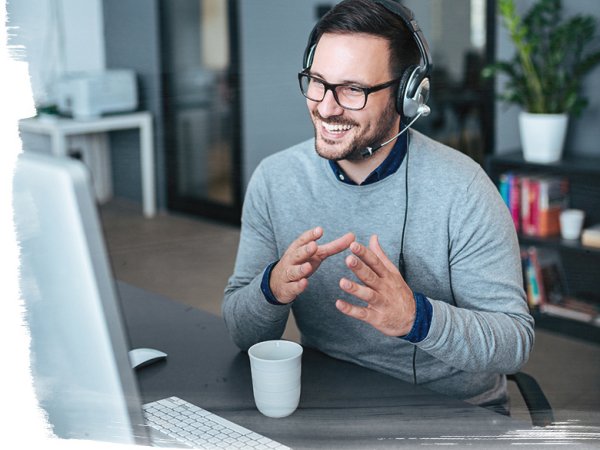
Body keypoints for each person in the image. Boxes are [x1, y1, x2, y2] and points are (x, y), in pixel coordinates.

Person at [223, 0, 534, 413]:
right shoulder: (275, 179)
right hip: (325, 402)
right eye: (317, 82)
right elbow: (242, 333)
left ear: (407, 95)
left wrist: (416, 319)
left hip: (452, 413)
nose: (326, 106)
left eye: (353, 89)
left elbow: (514, 344)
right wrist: (272, 288)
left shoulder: (463, 189)